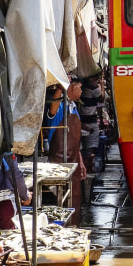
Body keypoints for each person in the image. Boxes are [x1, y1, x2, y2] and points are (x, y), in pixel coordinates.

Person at [44, 79, 87, 226]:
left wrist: (80, 162)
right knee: (59, 203)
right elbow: (52, 111)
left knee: (74, 200)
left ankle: (73, 227)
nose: (81, 91)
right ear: (71, 87)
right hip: (58, 163)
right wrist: (61, 84)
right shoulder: (59, 107)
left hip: (73, 163)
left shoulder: (74, 107)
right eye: (80, 87)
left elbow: (76, 140)